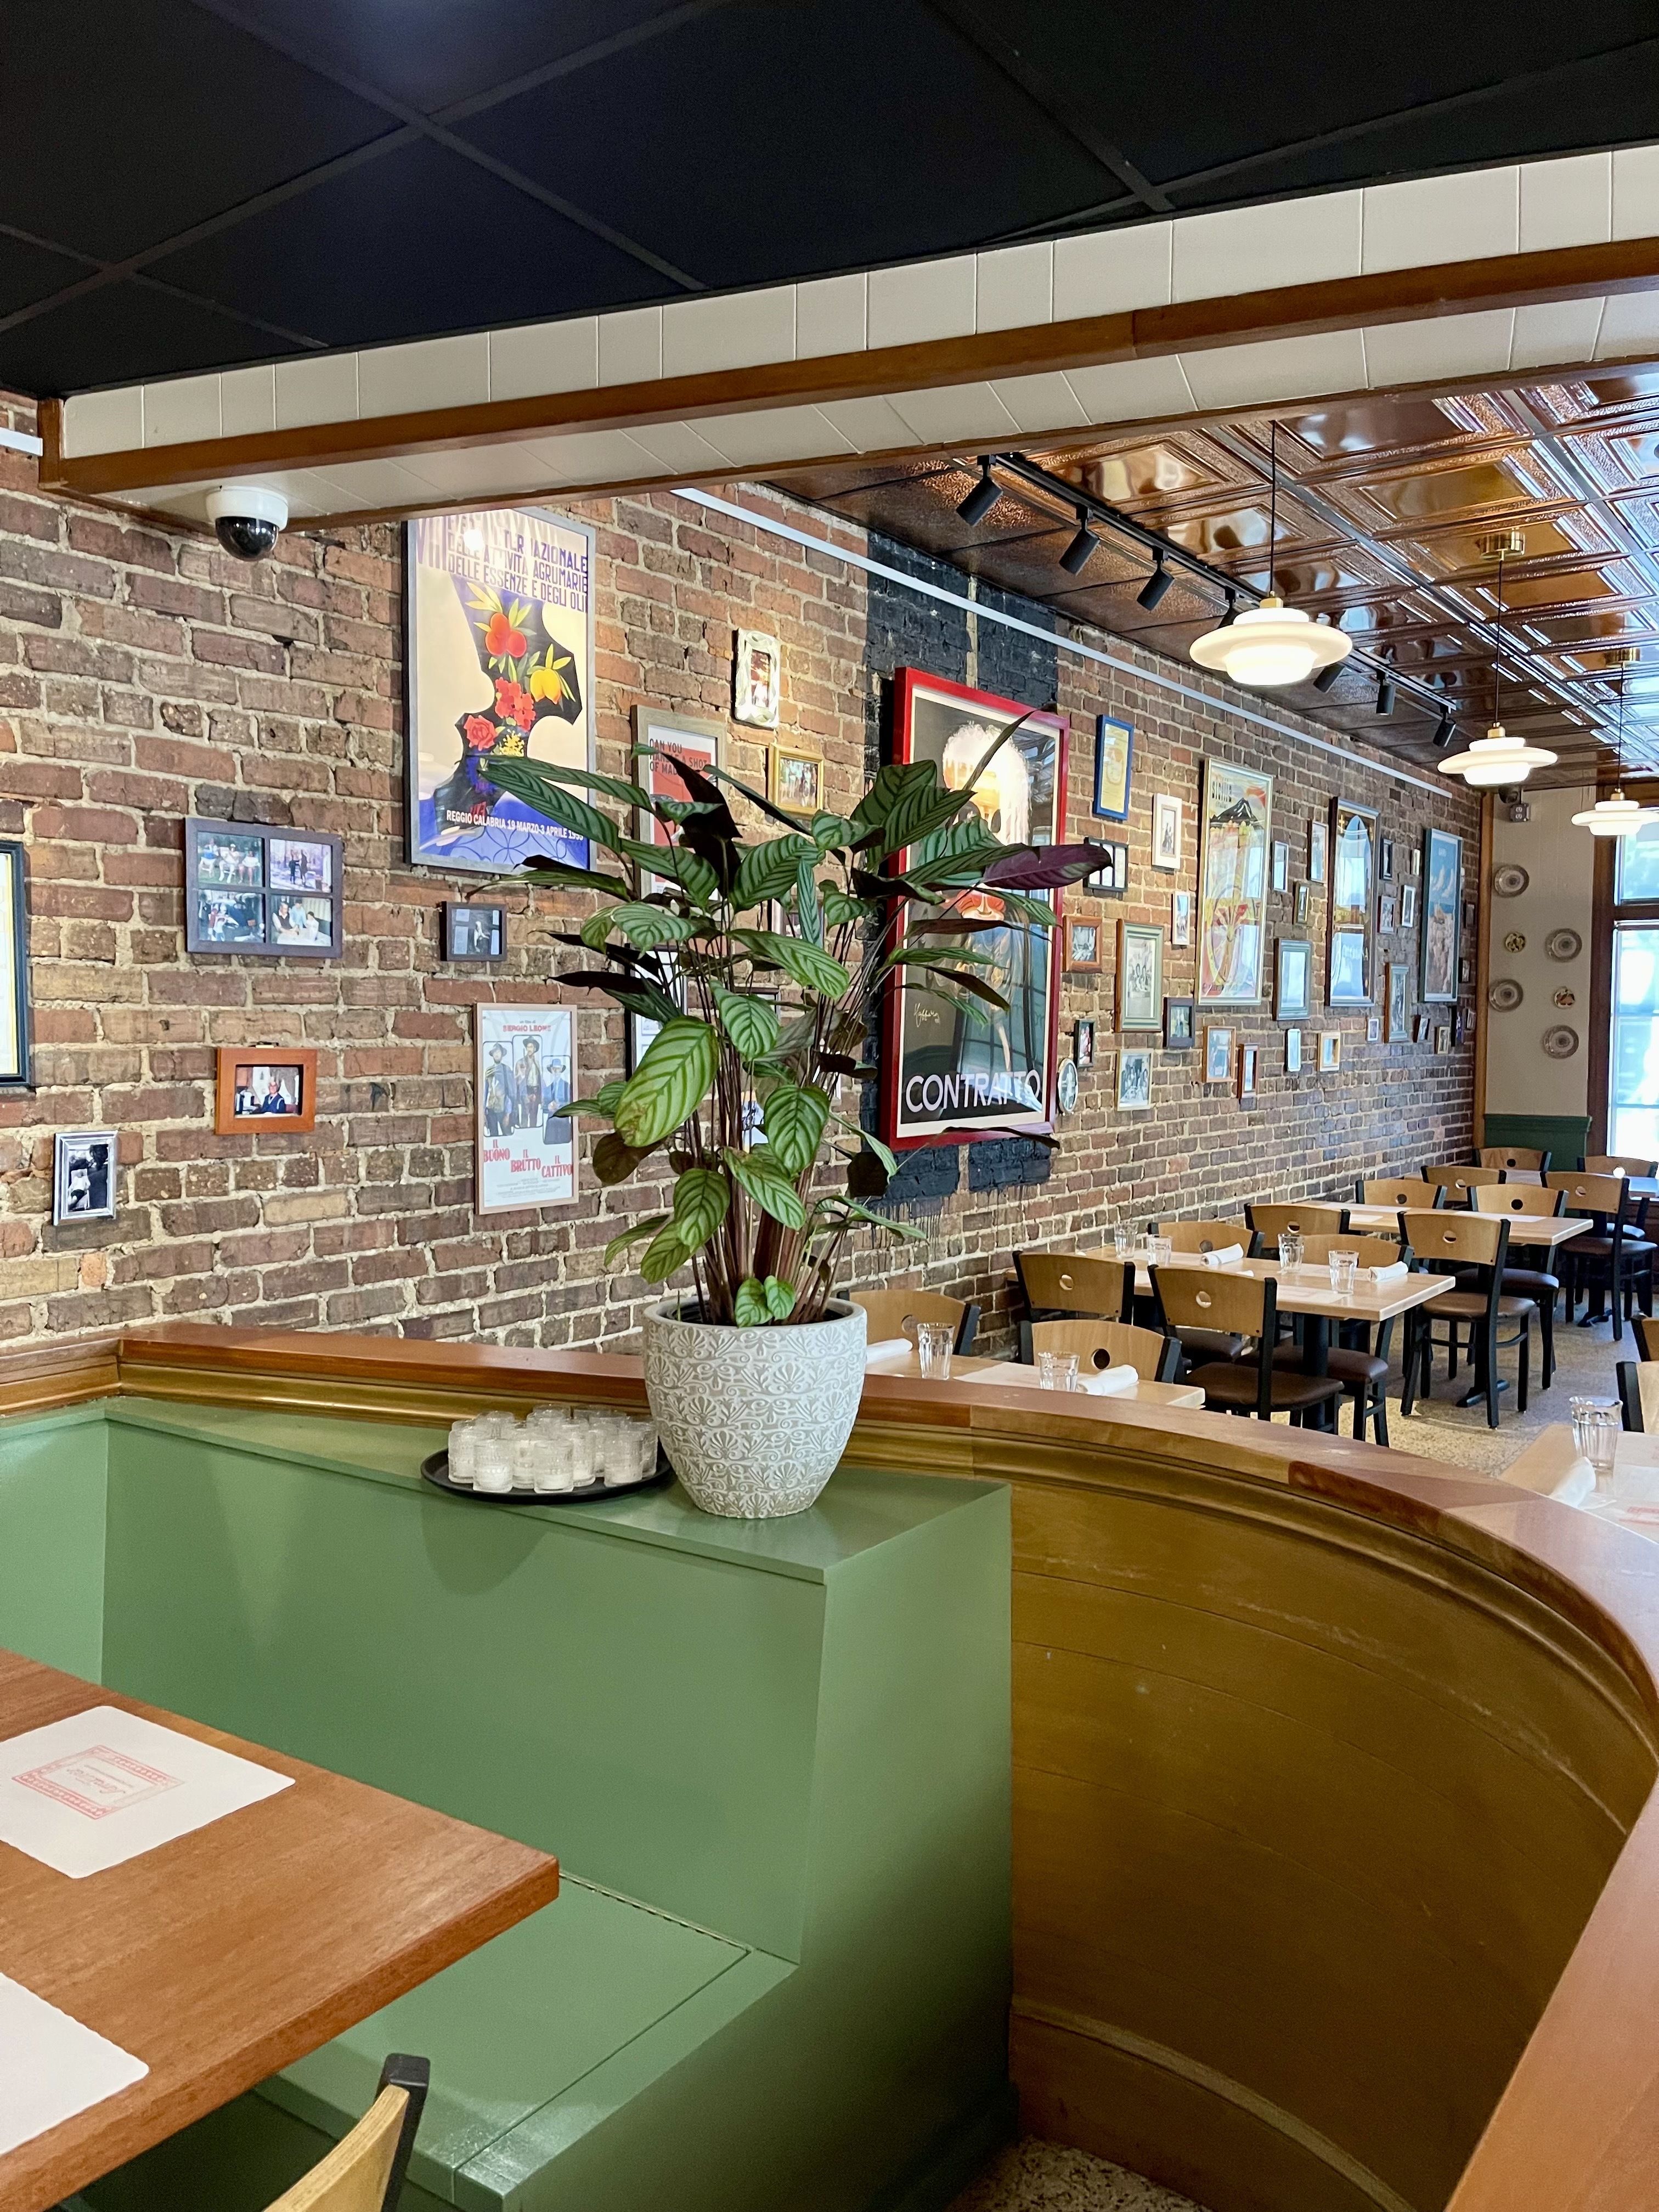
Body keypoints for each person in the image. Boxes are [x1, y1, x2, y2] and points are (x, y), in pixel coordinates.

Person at [483, 1043, 514, 1138]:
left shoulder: (507, 1070)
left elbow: (510, 1092)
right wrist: (483, 1111)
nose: (496, 1054)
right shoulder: (489, 1071)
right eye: (494, 1052)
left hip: (503, 1109)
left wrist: (508, 1114)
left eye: (498, 1052)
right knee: (493, 1136)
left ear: (502, 1054)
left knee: (507, 1135)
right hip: (491, 1108)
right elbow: (485, 1092)